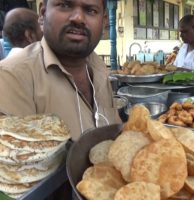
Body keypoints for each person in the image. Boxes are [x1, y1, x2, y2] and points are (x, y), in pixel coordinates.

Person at [0, 0, 121, 141]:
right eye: (65, 5)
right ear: (43, 14)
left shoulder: (99, 68)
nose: (78, 18)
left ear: (104, 20)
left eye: (91, 10)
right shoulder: (12, 77)